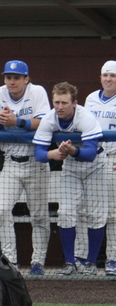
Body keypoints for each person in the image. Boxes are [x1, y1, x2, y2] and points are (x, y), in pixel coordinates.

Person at [0, 60, 51, 275]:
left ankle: (38, 262)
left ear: (26, 79)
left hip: (36, 160)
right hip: (10, 161)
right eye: (8, 77)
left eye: (16, 78)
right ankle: (10, 261)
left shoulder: (37, 92)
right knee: (2, 210)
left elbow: (44, 122)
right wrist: (0, 122)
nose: (11, 81)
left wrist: (17, 121)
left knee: (39, 215)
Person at [33, 82, 105, 275]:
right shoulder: (50, 118)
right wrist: (52, 154)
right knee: (65, 213)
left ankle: (90, 263)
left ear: (74, 103)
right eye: (56, 102)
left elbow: (90, 153)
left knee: (96, 215)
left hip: (96, 165)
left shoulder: (85, 117)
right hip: (71, 166)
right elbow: (38, 152)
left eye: (64, 102)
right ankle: (69, 263)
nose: (60, 107)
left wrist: (71, 150)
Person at [84, 60, 116, 277]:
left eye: (112, 76)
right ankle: (88, 260)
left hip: (114, 159)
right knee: (93, 213)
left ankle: (112, 259)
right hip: (94, 160)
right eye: (105, 75)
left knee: (113, 213)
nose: (108, 79)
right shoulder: (91, 99)